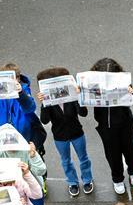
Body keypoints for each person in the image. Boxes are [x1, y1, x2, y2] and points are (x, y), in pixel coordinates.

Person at [0, 62, 48, 164]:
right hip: (4, 137)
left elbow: (30, 107)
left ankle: (40, 176)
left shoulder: (24, 89)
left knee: (28, 163)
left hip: (23, 135)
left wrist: (20, 93)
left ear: (18, 79)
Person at [36, 66, 93, 197]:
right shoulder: (50, 101)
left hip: (77, 132)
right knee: (66, 161)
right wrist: (44, 103)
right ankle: (72, 182)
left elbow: (83, 113)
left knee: (83, 158)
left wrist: (79, 96)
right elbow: (44, 120)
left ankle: (87, 180)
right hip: (60, 136)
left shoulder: (71, 98)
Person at [85, 57, 133, 195]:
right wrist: (82, 95)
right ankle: (117, 179)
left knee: (130, 151)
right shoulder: (93, 85)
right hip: (106, 128)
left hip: (126, 124)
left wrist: (131, 93)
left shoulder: (124, 81)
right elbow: (85, 108)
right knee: (113, 155)